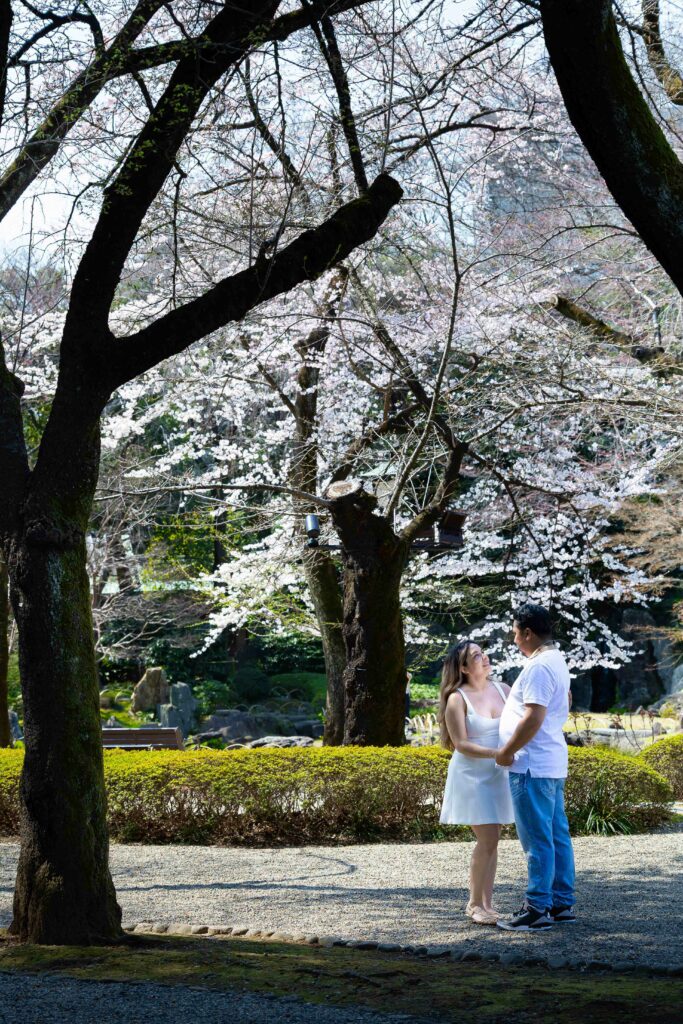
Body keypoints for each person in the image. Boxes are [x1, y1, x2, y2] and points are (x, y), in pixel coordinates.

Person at [495, 603, 576, 932]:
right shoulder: (557, 660)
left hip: (530, 764)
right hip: (549, 762)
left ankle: (537, 907)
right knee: (557, 835)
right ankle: (561, 903)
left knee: (538, 839)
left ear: (528, 632)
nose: (514, 640)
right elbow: (566, 701)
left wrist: (506, 751)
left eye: (515, 633)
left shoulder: (539, 667)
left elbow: (533, 716)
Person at [438, 640, 514, 926]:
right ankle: (473, 903)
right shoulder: (457, 698)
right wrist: (499, 753)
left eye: (483, 652)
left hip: (498, 773)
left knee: (494, 838)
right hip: (471, 775)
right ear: (464, 667)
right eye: (476, 656)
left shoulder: (503, 690)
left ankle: (487, 902)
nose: (485, 657)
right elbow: (461, 744)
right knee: (488, 837)